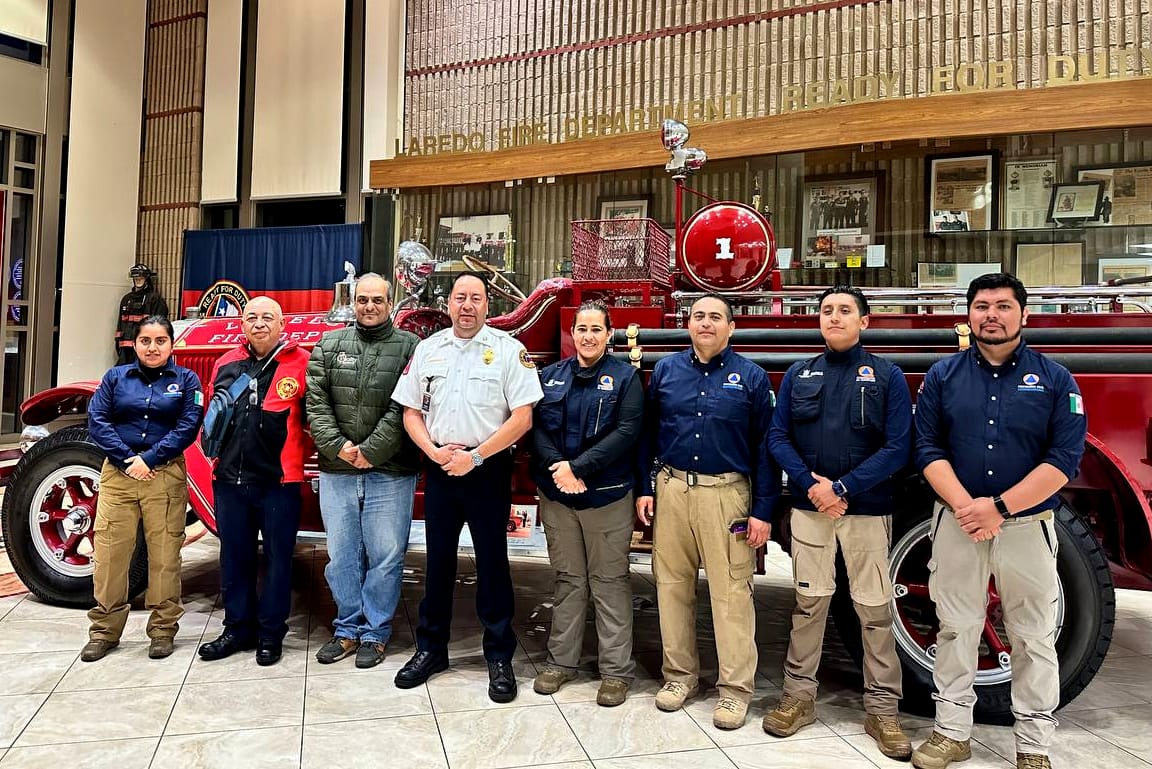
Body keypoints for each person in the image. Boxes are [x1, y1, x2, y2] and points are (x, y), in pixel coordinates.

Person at [911, 273, 1087, 769]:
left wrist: (1000, 508)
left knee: (1033, 635)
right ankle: (951, 733)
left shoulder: (1056, 380)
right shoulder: (942, 377)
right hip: (957, 523)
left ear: (1024, 315)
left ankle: (1033, 744)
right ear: (968, 315)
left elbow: (1063, 460)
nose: (992, 314)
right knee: (955, 628)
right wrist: (970, 507)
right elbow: (926, 448)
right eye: (982, 305)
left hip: (1027, 528)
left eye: (1003, 306)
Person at [763, 286, 913, 759]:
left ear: (864, 321)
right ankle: (798, 698)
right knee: (810, 604)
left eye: (845, 311)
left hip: (866, 511)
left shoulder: (886, 377)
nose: (834, 317)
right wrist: (811, 485)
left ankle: (883, 710)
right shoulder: (799, 373)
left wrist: (841, 488)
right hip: (811, 509)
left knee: (874, 609)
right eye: (827, 311)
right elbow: (778, 435)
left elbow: (898, 448)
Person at [390, 271, 544, 702]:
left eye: (476, 298)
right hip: (440, 468)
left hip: (487, 469)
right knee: (436, 564)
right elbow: (410, 413)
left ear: (487, 306)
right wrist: (435, 453)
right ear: (449, 302)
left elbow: (522, 417)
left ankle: (498, 656)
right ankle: (431, 650)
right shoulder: (428, 349)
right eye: (460, 297)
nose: (467, 306)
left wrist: (474, 457)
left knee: (493, 565)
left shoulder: (509, 351)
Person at [636, 294, 780, 730]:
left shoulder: (751, 378)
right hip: (673, 490)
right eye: (698, 316)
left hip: (727, 496)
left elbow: (765, 450)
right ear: (688, 324)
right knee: (671, 588)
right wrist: (647, 488)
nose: (705, 323)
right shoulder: (665, 371)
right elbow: (647, 435)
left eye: (715, 317)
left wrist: (763, 510)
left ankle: (735, 691)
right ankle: (680, 678)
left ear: (731, 327)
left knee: (731, 594)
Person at [530, 300, 644, 707]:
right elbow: (536, 429)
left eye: (597, 329)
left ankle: (616, 672)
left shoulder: (626, 378)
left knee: (609, 583)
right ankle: (561, 663)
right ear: (572, 333)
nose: (589, 336)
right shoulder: (549, 377)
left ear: (609, 334)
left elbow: (627, 432)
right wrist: (559, 469)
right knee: (568, 580)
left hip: (606, 497)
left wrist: (577, 468)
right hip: (559, 497)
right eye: (582, 328)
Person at [306, 273, 421, 669]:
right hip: (337, 469)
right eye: (362, 300)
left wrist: (371, 451)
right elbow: (316, 403)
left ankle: (375, 632)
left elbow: (406, 405)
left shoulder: (411, 347)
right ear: (353, 303)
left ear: (391, 304)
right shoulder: (328, 344)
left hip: (391, 470)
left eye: (377, 300)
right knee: (340, 555)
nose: (369, 307)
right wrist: (339, 447)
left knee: (386, 554)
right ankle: (347, 629)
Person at [198, 296, 311, 667]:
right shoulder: (225, 363)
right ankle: (237, 628)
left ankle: (270, 633)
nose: (259, 323)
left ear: (282, 325)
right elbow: (212, 416)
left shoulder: (302, 363)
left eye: (267, 317)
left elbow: (313, 422)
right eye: (252, 317)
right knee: (234, 557)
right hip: (229, 480)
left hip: (279, 481)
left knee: (279, 560)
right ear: (242, 324)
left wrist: (291, 454)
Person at [82, 316, 203, 661]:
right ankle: (104, 631)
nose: (153, 347)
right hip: (119, 478)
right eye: (146, 341)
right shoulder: (115, 378)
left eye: (160, 340)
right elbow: (98, 421)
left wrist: (148, 459)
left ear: (171, 344)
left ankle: (163, 631)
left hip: (164, 477)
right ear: (133, 344)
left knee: (165, 556)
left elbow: (188, 426)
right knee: (109, 555)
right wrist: (127, 459)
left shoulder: (187, 380)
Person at [115, 263, 170, 365]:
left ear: (147, 279)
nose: (138, 280)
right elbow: (120, 324)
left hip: (145, 348)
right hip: (126, 350)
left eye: (141, 278)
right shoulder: (126, 299)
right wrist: (118, 342)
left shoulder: (154, 299)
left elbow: (159, 326)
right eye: (136, 278)